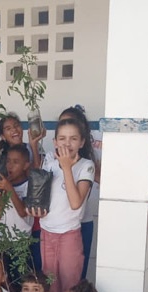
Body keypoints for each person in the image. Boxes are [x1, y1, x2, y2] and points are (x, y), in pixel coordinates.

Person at [29, 119, 95, 292]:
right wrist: (35, 208)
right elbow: (41, 197)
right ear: (55, 142)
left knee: (70, 290)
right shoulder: (49, 162)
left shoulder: (86, 165)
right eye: (62, 138)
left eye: (73, 139)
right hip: (46, 233)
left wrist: (66, 167)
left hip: (69, 235)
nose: (67, 143)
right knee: (51, 288)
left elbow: (75, 203)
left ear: (82, 142)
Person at [53, 106, 101, 280]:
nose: (67, 142)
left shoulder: (88, 160)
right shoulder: (53, 159)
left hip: (82, 221)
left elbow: (103, 180)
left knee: (75, 276)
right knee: (53, 278)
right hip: (55, 226)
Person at [0, 113, 43, 272]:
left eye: (16, 125)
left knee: (22, 277)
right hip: (2, 239)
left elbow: (38, 177)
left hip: (23, 238)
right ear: (2, 135)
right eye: (8, 128)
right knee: (5, 278)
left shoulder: (31, 149)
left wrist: (34, 145)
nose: (10, 165)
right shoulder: (1, 163)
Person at [0, 143, 33, 287]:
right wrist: (3, 196)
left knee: (19, 282)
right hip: (2, 242)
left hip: (21, 243)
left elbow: (22, 212)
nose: (10, 166)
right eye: (8, 161)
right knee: (3, 283)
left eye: (16, 162)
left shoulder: (30, 186)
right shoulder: (2, 186)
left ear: (26, 165)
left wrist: (9, 189)